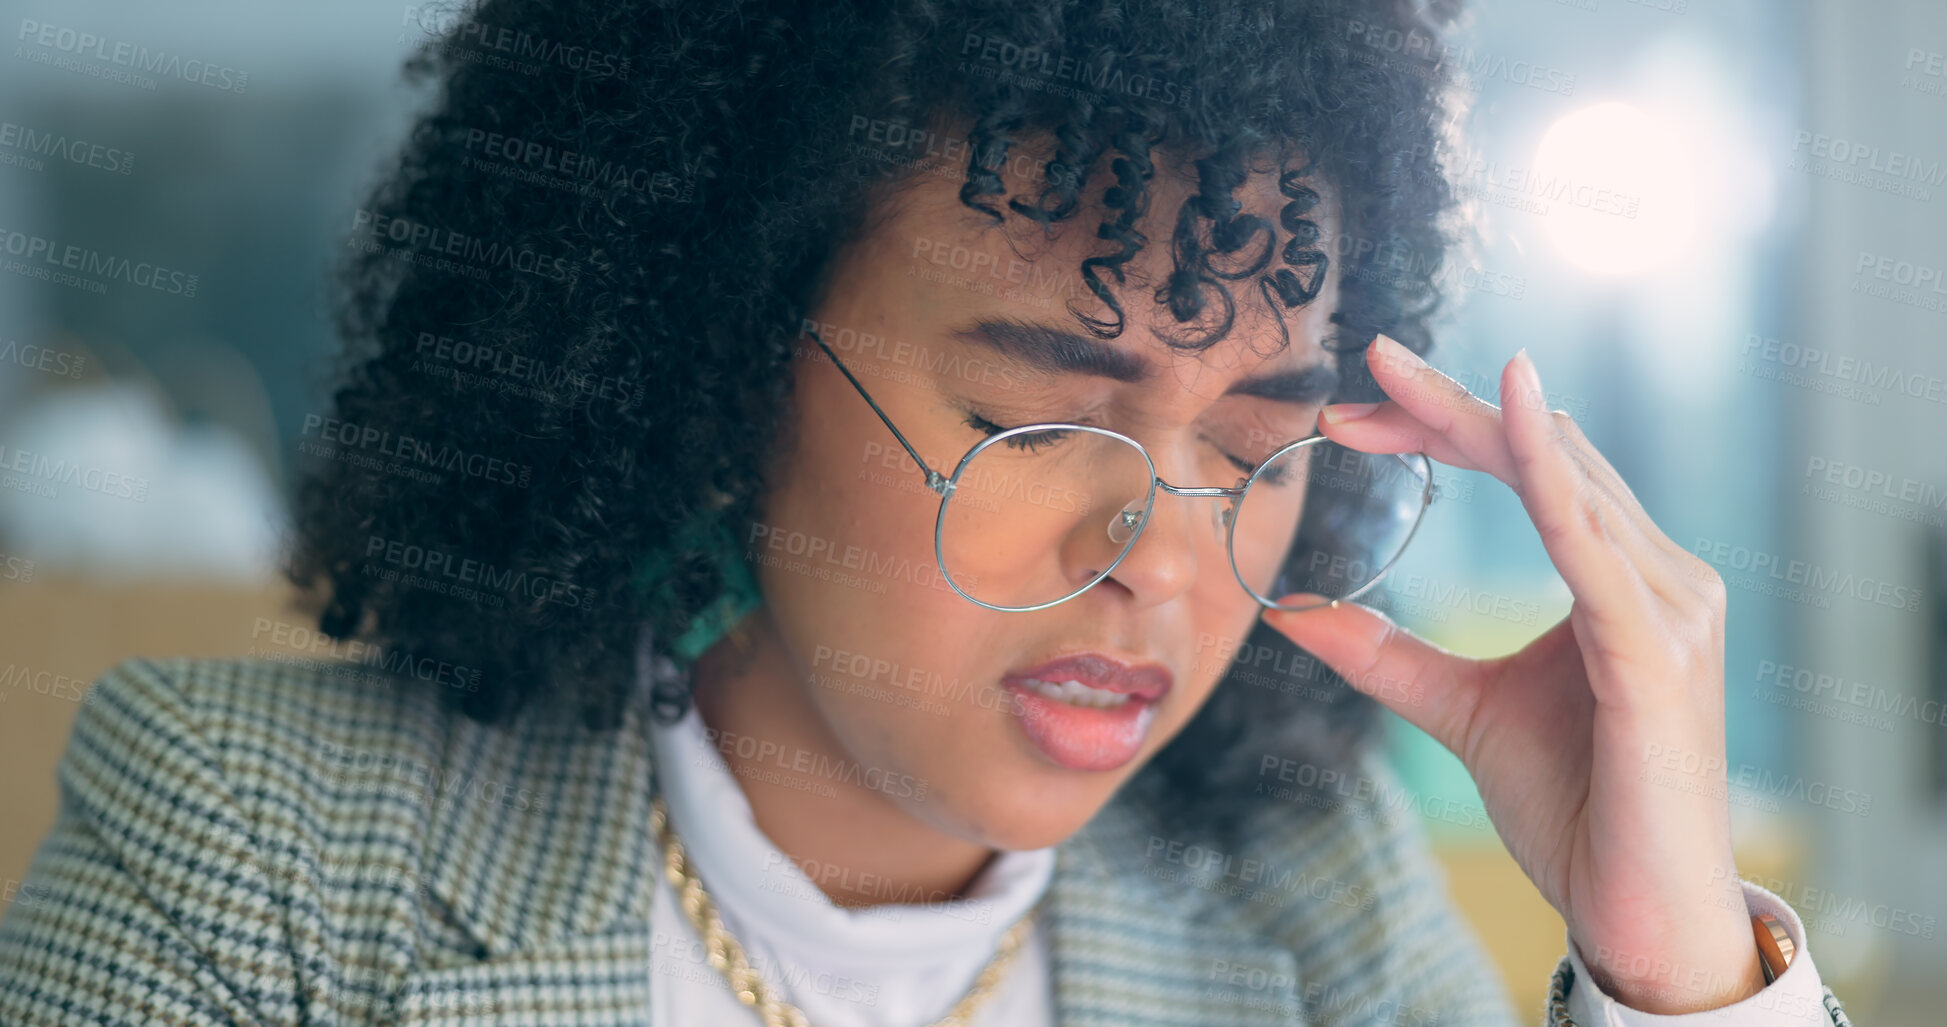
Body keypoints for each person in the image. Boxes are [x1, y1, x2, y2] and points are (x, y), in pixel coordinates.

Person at [0, 0, 1853, 1023]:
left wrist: (1678, 971)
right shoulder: (255, 852)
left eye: (1259, 446)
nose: (1164, 564)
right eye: (1040, 420)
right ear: (718, 363)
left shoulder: (1300, 899)